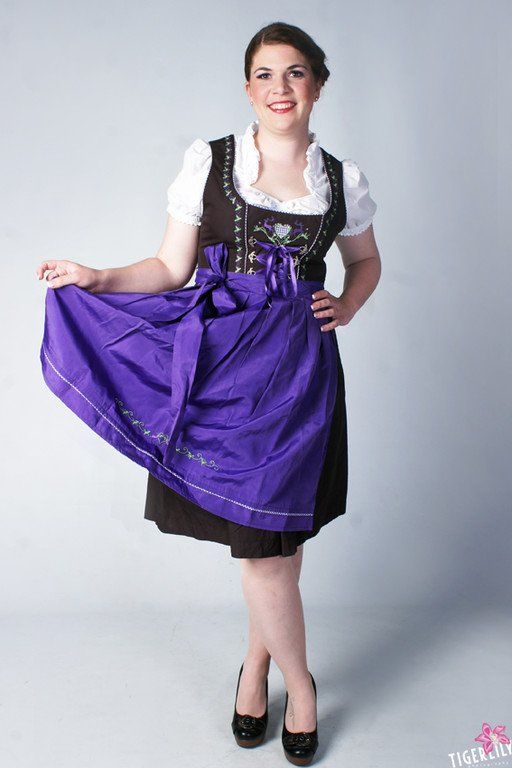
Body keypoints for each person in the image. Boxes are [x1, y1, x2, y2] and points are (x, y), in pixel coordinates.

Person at [36, 21, 381, 766]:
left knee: (276, 540)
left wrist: (347, 305)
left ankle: (259, 668)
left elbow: (366, 262)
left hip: (301, 375)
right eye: (265, 74)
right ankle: (299, 684)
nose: (280, 88)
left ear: (318, 85)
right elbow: (169, 268)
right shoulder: (212, 162)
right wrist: (98, 277)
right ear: (248, 88)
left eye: (295, 73)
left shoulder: (340, 180)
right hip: (225, 373)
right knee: (263, 550)